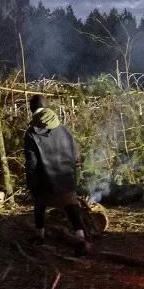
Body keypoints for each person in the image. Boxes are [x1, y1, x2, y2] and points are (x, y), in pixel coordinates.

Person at [24, 95, 90, 254]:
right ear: (47, 108)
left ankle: (39, 236)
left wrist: (31, 184)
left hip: (45, 183)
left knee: (40, 207)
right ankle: (81, 239)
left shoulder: (32, 133)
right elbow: (75, 155)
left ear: (31, 109)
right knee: (72, 209)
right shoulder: (64, 130)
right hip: (67, 179)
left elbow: (32, 164)